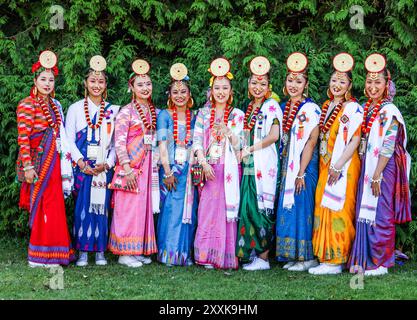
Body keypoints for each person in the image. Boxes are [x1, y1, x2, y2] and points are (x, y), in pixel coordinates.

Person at [348, 53, 411, 276]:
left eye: (378, 82)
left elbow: (388, 143)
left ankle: (382, 262)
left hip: (383, 168)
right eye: (369, 82)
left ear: (387, 85)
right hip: (370, 165)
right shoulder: (368, 109)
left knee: (381, 212)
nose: (373, 87)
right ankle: (367, 258)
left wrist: (376, 174)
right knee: (366, 211)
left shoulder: (389, 111)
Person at [16, 50, 74, 267]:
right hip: (39, 161)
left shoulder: (55, 106)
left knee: (55, 204)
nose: (47, 83)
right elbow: (23, 138)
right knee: (43, 205)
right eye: (43, 79)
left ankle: (55, 253)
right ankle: (39, 256)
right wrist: (28, 166)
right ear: (35, 80)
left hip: (54, 160)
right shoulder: (27, 104)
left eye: (51, 79)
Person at [308, 53, 363, 275]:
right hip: (325, 164)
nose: (337, 84)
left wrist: (339, 165)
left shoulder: (352, 108)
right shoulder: (326, 105)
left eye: (342, 81)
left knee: (338, 208)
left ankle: (336, 259)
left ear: (349, 85)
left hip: (344, 165)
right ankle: (323, 256)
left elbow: (355, 139)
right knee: (323, 207)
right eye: (334, 80)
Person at [66, 56, 120, 267]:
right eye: (92, 81)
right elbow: (69, 139)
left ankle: (99, 251)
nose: (96, 85)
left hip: (103, 167)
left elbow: (117, 143)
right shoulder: (76, 108)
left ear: (105, 85)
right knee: (83, 208)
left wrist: (107, 163)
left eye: (101, 82)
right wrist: (81, 163)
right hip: (83, 168)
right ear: (85, 84)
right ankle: (82, 251)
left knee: (102, 207)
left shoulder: (113, 110)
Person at [193, 57, 244, 270]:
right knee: (206, 212)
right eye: (217, 88)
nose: (221, 92)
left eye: (225, 88)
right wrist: (203, 163)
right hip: (209, 169)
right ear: (211, 91)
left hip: (230, 170)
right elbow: (196, 141)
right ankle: (205, 255)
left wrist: (229, 132)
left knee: (226, 213)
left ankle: (225, 256)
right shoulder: (203, 114)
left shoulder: (238, 115)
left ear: (231, 91)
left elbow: (242, 146)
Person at [108, 59, 159, 267]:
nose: (145, 88)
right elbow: (119, 142)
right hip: (131, 167)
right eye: (140, 84)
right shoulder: (126, 111)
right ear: (131, 87)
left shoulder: (152, 112)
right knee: (127, 208)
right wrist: (127, 167)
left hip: (146, 166)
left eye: (148, 84)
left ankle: (136, 249)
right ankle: (124, 253)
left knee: (140, 208)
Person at [236, 56, 283, 271]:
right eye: (254, 83)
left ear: (269, 87)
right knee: (248, 205)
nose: (258, 87)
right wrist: (242, 152)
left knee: (262, 207)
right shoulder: (250, 107)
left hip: (264, 163)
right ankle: (253, 253)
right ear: (248, 84)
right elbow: (247, 134)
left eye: (263, 84)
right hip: (249, 162)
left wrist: (250, 150)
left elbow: (274, 136)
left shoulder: (271, 106)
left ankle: (263, 257)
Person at [276, 52, 321, 272]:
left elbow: (311, 142)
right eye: (290, 80)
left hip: (304, 165)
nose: (294, 85)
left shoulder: (311, 109)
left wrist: (301, 171)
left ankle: (307, 257)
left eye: (299, 81)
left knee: (302, 205)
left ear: (306, 84)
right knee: (289, 207)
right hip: (288, 165)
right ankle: (293, 255)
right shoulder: (283, 108)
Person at [156, 63, 198, 266]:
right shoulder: (164, 115)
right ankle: (168, 254)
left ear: (189, 93)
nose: (179, 95)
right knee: (171, 211)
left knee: (188, 212)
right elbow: (162, 144)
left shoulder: (195, 116)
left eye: (183, 91)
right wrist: (167, 171)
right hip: (171, 170)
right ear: (169, 94)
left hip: (189, 172)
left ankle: (185, 254)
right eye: (175, 92)